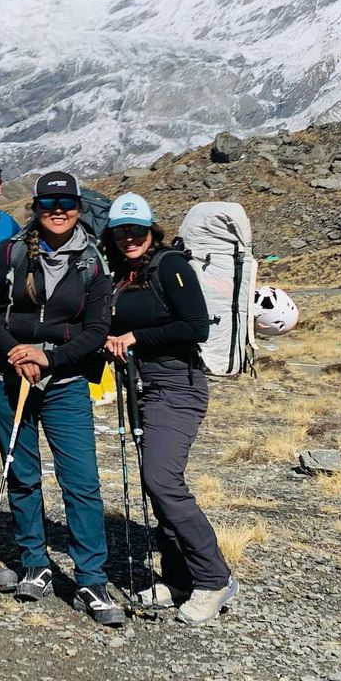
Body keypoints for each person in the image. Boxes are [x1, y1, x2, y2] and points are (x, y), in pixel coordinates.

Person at [0, 171, 124, 627]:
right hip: (5, 376)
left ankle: (91, 577)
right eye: (48, 203)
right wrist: (16, 353)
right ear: (36, 208)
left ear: (80, 208)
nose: (58, 210)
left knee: (80, 479)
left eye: (67, 202)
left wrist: (49, 357)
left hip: (64, 381)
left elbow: (97, 332)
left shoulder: (94, 264)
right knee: (22, 474)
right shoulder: (7, 254)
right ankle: (34, 562)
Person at [103, 192, 238, 626]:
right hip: (142, 387)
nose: (130, 238)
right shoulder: (122, 275)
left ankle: (214, 578)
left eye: (137, 230)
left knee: (162, 480)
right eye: (122, 231)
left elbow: (195, 326)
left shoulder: (170, 266)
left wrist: (136, 339)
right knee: (155, 482)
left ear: (152, 230)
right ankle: (178, 579)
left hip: (177, 385)